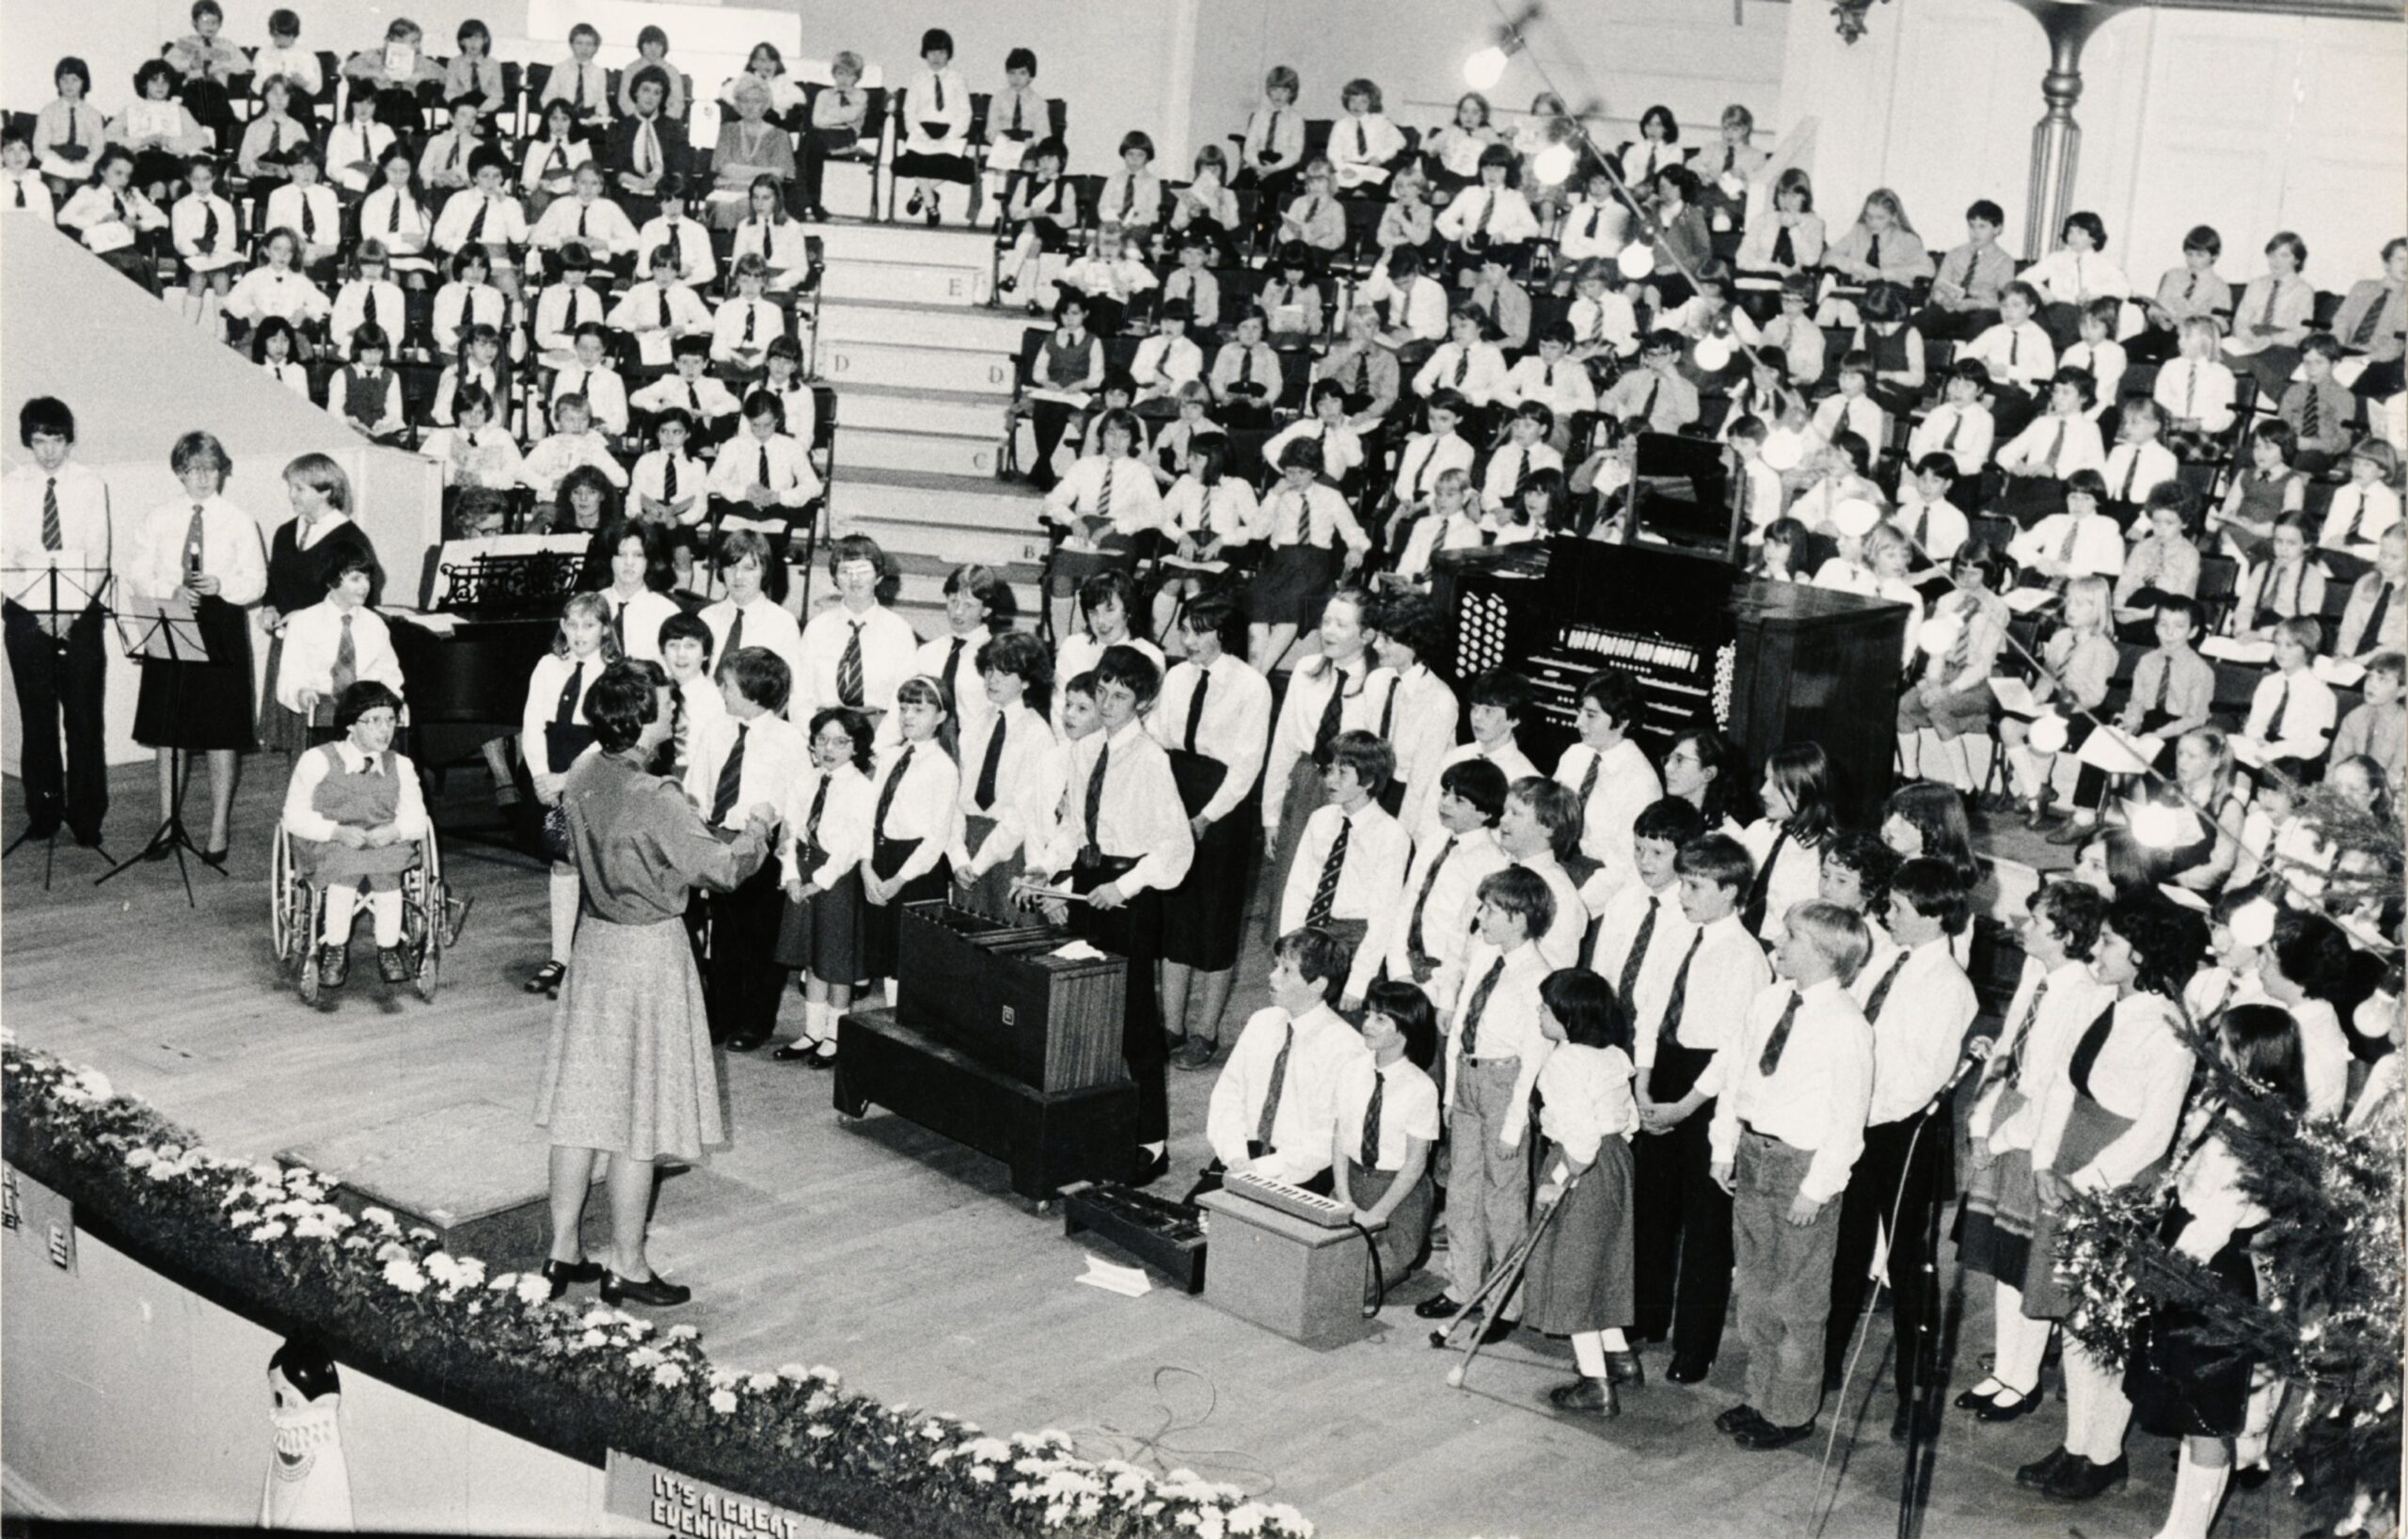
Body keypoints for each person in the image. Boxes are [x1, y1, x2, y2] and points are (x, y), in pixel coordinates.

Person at [536, 659, 773, 1309]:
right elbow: (721, 870)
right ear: (641, 717)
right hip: (648, 951)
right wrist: (758, 829)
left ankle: (563, 1250)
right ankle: (628, 1264)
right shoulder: (657, 795)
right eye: (667, 705)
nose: (676, 713)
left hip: (595, 943)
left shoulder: (582, 771)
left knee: (580, 1108)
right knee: (637, 1117)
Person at [2016, 896, 2202, 1502]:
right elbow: (2065, 1089)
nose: (2095, 949)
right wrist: (2046, 1161)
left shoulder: (2169, 1030)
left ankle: (2103, 1453)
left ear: (2142, 956)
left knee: (2102, 1323)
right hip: (2072, 1163)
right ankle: (2076, 1444)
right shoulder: (2103, 1001)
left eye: (2110, 942)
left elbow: (2154, 1131)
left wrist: (2084, 1184)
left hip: (2116, 1184)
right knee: (2072, 1314)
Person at [1705, 899, 1876, 1450]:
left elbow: (1849, 1119)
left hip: (1800, 1169)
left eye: (1793, 937)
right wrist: (1724, 1144)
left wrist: (1817, 1188)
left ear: (1828, 954)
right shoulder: (1771, 1000)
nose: (1779, 943)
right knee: (1754, 1290)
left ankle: (1791, 1411)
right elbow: (1738, 1075)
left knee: (1796, 1300)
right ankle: (1759, 1396)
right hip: (1755, 1154)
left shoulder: (1847, 1024)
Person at [1027, 646, 1196, 1182]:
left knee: (1135, 1023)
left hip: (1132, 891)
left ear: (1143, 702)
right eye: (1101, 690)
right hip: (1091, 882)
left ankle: (1151, 1140)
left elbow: (1174, 847)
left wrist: (1122, 887)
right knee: (1084, 1008)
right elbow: (1075, 828)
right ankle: (1094, 1124)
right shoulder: (1084, 749)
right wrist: (1047, 870)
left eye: (1119, 696)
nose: (1105, 702)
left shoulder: (1151, 760)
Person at [1825, 857, 1978, 1432]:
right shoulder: (1884, 957)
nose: (1886, 915)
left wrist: (1862, 1113)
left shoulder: (1949, 986)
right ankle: (1827, 1363)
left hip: (1903, 1132)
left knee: (1910, 1265)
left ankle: (1915, 1396)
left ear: (1936, 916)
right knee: (1843, 1250)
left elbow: (1921, 1079)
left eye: (1899, 909)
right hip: (1857, 1119)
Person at [1955, 880, 2115, 1422]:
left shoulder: (2085, 995)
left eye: (2037, 921)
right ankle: (2006, 1369)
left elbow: (2050, 1088)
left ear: (2066, 935)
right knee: (2003, 1259)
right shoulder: (2037, 976)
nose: (2023, 928)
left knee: (2026, 1262)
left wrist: (1998, 1138)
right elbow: (2011, 1053)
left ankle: (2024, 1381)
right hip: (2007, 1119)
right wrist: (1982, 1118)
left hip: (2037, 1134)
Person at [1415, 865, 1556, 1344]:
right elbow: (1460, 1031)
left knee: (1503, 1199)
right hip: (1471, 1081)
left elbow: (1534, 1058)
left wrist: (1515, 1125)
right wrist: (1453, 1094)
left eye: (1491, 910)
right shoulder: (1484, 955)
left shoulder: (1539, 976)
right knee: (1462, 1190)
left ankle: (1504, 1302)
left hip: (1505, 1086)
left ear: (1519, 918)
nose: (1481, 917)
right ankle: (1464, 1286)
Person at [131, 431, 263, 865]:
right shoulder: (158, 517)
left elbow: (256, 583)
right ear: (179, 473)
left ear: (222, 471)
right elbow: (137, 571)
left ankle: (218, 828)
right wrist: (168, 588)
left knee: (222, 732)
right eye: (194, 470)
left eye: (212, 469)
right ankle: (167, 824)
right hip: (172, 617)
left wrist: (223, 585)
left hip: (221, 622)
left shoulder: (240, 519)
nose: (204, 478)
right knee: (170, 730)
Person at [1521, 967, 1644, 1417]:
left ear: (1567, 1017)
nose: (1538, 1012)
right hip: (1617, 1164)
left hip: (1579, 1167)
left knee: (1573, 1273)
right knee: (1604, 1263)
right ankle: (1621, 1358)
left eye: (1545, 1008)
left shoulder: (1563, 1063)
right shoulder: (1612, 1055)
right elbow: (1628, 1122)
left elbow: (1581, 1143)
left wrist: (1554, 1185)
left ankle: (1595, 1384)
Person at [1154, 597, 1272, 1067]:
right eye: (1184, 629)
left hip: (1223, 805)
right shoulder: (1177, 677)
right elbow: (1159, 738)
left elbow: (1246, 766)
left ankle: (1206, 1032)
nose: (1187, 640)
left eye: (1198, 631)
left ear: (1223, 634)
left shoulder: (1252, 686)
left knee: (1216, 918)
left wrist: (1205, 818)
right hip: (1175, 789)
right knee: (1175, 914)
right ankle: (1171, 1025)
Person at [4, 398, 112, 848]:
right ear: (29, 439)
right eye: (41, 440)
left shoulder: (90, 483)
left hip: (79, 616)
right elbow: (4, 556)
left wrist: (69, 611)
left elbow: (98, 554)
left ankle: (86, 817)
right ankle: (44, 811)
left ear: (70, 438)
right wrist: (41, 610)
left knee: (85, 720)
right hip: (27, 617)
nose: (49, 450)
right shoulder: (11, 485)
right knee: (38, 718)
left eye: (58, 439)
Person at [686, 647, 805, 1052]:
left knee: (758, 939)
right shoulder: (716, 727)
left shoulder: (789, 739)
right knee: (721, 937)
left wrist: (778, 840)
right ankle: (721, 1015)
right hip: (717, 840)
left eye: (729, 685)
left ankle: (756, 1021)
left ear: (755, 691)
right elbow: (698, 782)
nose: (721, 690)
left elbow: (796, 799)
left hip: (759, 849)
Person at [1196, 925, 1372, 1197]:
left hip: (1297, 1173)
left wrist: (1261, 1170)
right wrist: (1235, 1157)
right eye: (1276, 965)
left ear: (1318, 984)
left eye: (1286, 970)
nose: (1272, 976)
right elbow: (1227, 1096)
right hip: (1242, 1157)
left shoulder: (1347, 1048)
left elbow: (1327, 1138)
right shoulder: (1262, 1022)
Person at [279, 681, 425, 988]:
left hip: (382, 840)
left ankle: (388, 949)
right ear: (350, 725)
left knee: (387, 873)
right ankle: (335, 948)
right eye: (374, 721)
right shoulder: (317, 760)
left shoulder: (401, 766)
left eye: (390, 720)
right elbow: (293, 817)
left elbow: (417, 819)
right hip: (329, 841)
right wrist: (335, 831)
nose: (385, 730)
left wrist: (395, 830)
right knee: (345, 872)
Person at [772, 706, 876, 1068]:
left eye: (840, 741)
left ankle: (836, 1035)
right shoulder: (805, 781)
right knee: (812, 959)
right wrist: (791, 876)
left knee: (837, 960)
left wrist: (818, 882)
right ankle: (812, 1032)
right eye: (821, 740)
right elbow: (791, 833)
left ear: (856, 746)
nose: (829, 748)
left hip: (835, 880)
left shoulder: (861, 788)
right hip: (803, 871)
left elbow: (850, 846)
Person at [1332, 978, 1443, 1288]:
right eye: (1368, 1014)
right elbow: (1340, 1137)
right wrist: (1343, 1197)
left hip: (1396, 1195)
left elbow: (1415, 1164)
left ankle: (1409, 1250)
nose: (1367, 1024)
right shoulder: (1351, 1070)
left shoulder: (1421, 1088)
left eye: (1380, 1019)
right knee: (1317, 1273)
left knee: (1353, 1288)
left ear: (1406, 1029)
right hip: (1352, 1185)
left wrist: (1378, 1214)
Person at [947, 630, 1060, 923]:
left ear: (1025, 680)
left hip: (1010, 851)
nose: (992, 679)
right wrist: (959, 857)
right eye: (989, 670)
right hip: (968, 844)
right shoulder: (974, 726)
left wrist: (980, 863)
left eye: (1005, 672)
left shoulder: (1038, 734)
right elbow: (955, 798)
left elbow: (1023, 814)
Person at [857, 675, 958, 1000]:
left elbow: (936, 838)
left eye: (919, 709)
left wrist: (899, 880)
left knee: (909, 960)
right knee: (886, 956)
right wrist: (866, 865)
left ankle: (905, 1031)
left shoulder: (943, 767)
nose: (908, 717)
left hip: (915, 872)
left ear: (940, 717)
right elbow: (868, 815)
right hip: (881, 860)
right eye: (903, 708)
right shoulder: (889, 757)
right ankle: (890, 1022)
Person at [893, 29, 973, 224]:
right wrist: (919, 132)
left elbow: (965, 112)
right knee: (917, 161)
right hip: (923, 132)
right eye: (932, 52)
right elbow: (909, 111)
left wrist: (952, 135)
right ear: (925, 54)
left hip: (948, 133)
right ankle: (931, 206)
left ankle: (921, 192)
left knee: (954, 167)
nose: (936, 57)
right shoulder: (917, 79)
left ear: (949, 55)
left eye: (942, 52)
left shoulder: (957, 79)